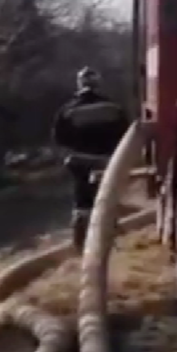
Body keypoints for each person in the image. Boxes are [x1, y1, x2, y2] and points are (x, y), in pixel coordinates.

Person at [52, 67, 131, 251]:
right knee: (107, 201)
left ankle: (80, 245)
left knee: (81, 202)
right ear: (98, 84)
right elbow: (126, 134)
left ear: (79, 84)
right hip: (107, 162)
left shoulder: (67, 110)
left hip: (80, 162)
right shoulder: (113, 108)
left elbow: (58, 138)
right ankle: (107, 243)